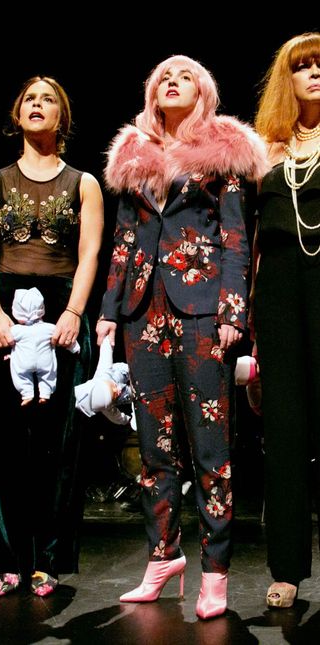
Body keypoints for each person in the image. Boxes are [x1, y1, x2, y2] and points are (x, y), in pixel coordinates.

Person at [96, 55, 268, 619]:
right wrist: (109, 309)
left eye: (184, 76)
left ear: (203, 91)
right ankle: (162, 558)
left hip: (202, 312)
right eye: (163, 78)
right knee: (154, 447)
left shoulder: (223, 149)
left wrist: (233, 310)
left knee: (211, 448)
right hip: (143, 312)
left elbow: (236, 235)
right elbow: (124, 239)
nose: (172, 82)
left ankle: (215, 570)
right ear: (152, 93)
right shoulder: (134, 154)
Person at [0, 75, 104, 597]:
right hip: (6, 309)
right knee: (3, 442)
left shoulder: (84, 182)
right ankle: (7, 559)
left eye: (47, 99)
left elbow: (90, 253)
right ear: (17, 114)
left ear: (61, 117)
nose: (37, 104)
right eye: (29, 98)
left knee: (59, 446)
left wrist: (74, 311)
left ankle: (48, 560)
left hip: (62, 308)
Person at [253, 32, 320, 609]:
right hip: (277, 298)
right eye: (304, 66)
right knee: (285, 435)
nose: (315, 73)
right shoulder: (264, 151)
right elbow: (249, 241)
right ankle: (288, 568)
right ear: (288, 79)